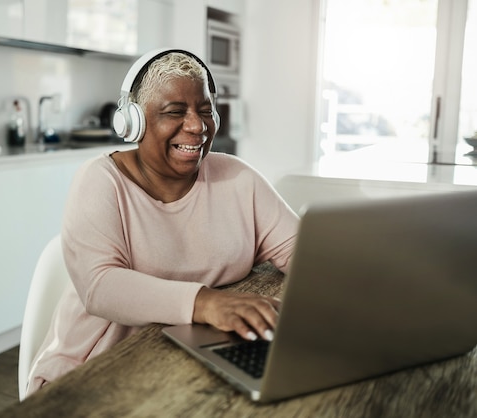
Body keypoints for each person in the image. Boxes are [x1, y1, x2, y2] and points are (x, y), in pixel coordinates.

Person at [25, 49, 299, 397]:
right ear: (133, 122)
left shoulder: (237, 178)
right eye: (175, 112)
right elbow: (100, 286)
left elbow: (301, 251)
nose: (197, 126)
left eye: (204, 111)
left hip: (191, 361)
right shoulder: (101, 181)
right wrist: (205, 303)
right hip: (91, 373)